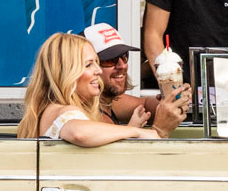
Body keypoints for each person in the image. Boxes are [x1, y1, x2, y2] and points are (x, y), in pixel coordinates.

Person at [17, 32, 161, 144]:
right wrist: (134, 131)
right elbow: (79, 133)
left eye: (97, 62)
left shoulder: (55, 107)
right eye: (88, 65)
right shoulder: (61, 110)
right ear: (66, 73)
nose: (98, 70)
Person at [83, 22, 189, 132]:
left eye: (124, 57)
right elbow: (121, 150)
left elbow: (145, 105)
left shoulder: (106, 101)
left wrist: (173, 99)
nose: (122, 65)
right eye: (110, 60)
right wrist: (160, 130)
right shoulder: (88, 115)